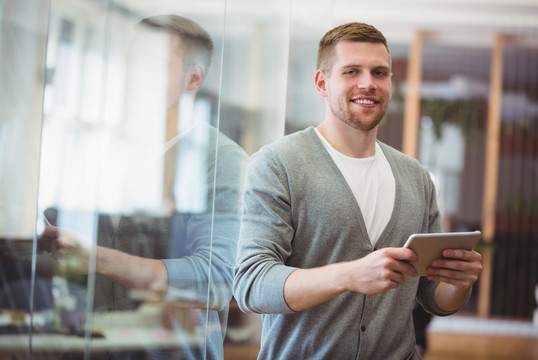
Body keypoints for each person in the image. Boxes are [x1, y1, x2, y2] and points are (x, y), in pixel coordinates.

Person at [233, 22, 483, 359]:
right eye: (352, 71)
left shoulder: (416, 177)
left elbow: (431, 295)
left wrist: (459, 284)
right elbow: (252, 284)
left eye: (380, 72)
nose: (368, 83)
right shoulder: (278, 164)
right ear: (322, 83)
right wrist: (350, 275)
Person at [42, 15, 248, 359]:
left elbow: (216, 282)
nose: (135, 73)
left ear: (193, 78)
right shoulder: (103, 149)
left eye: (154, 64)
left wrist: (95, 258)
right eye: (131, 61)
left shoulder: (220, 161)